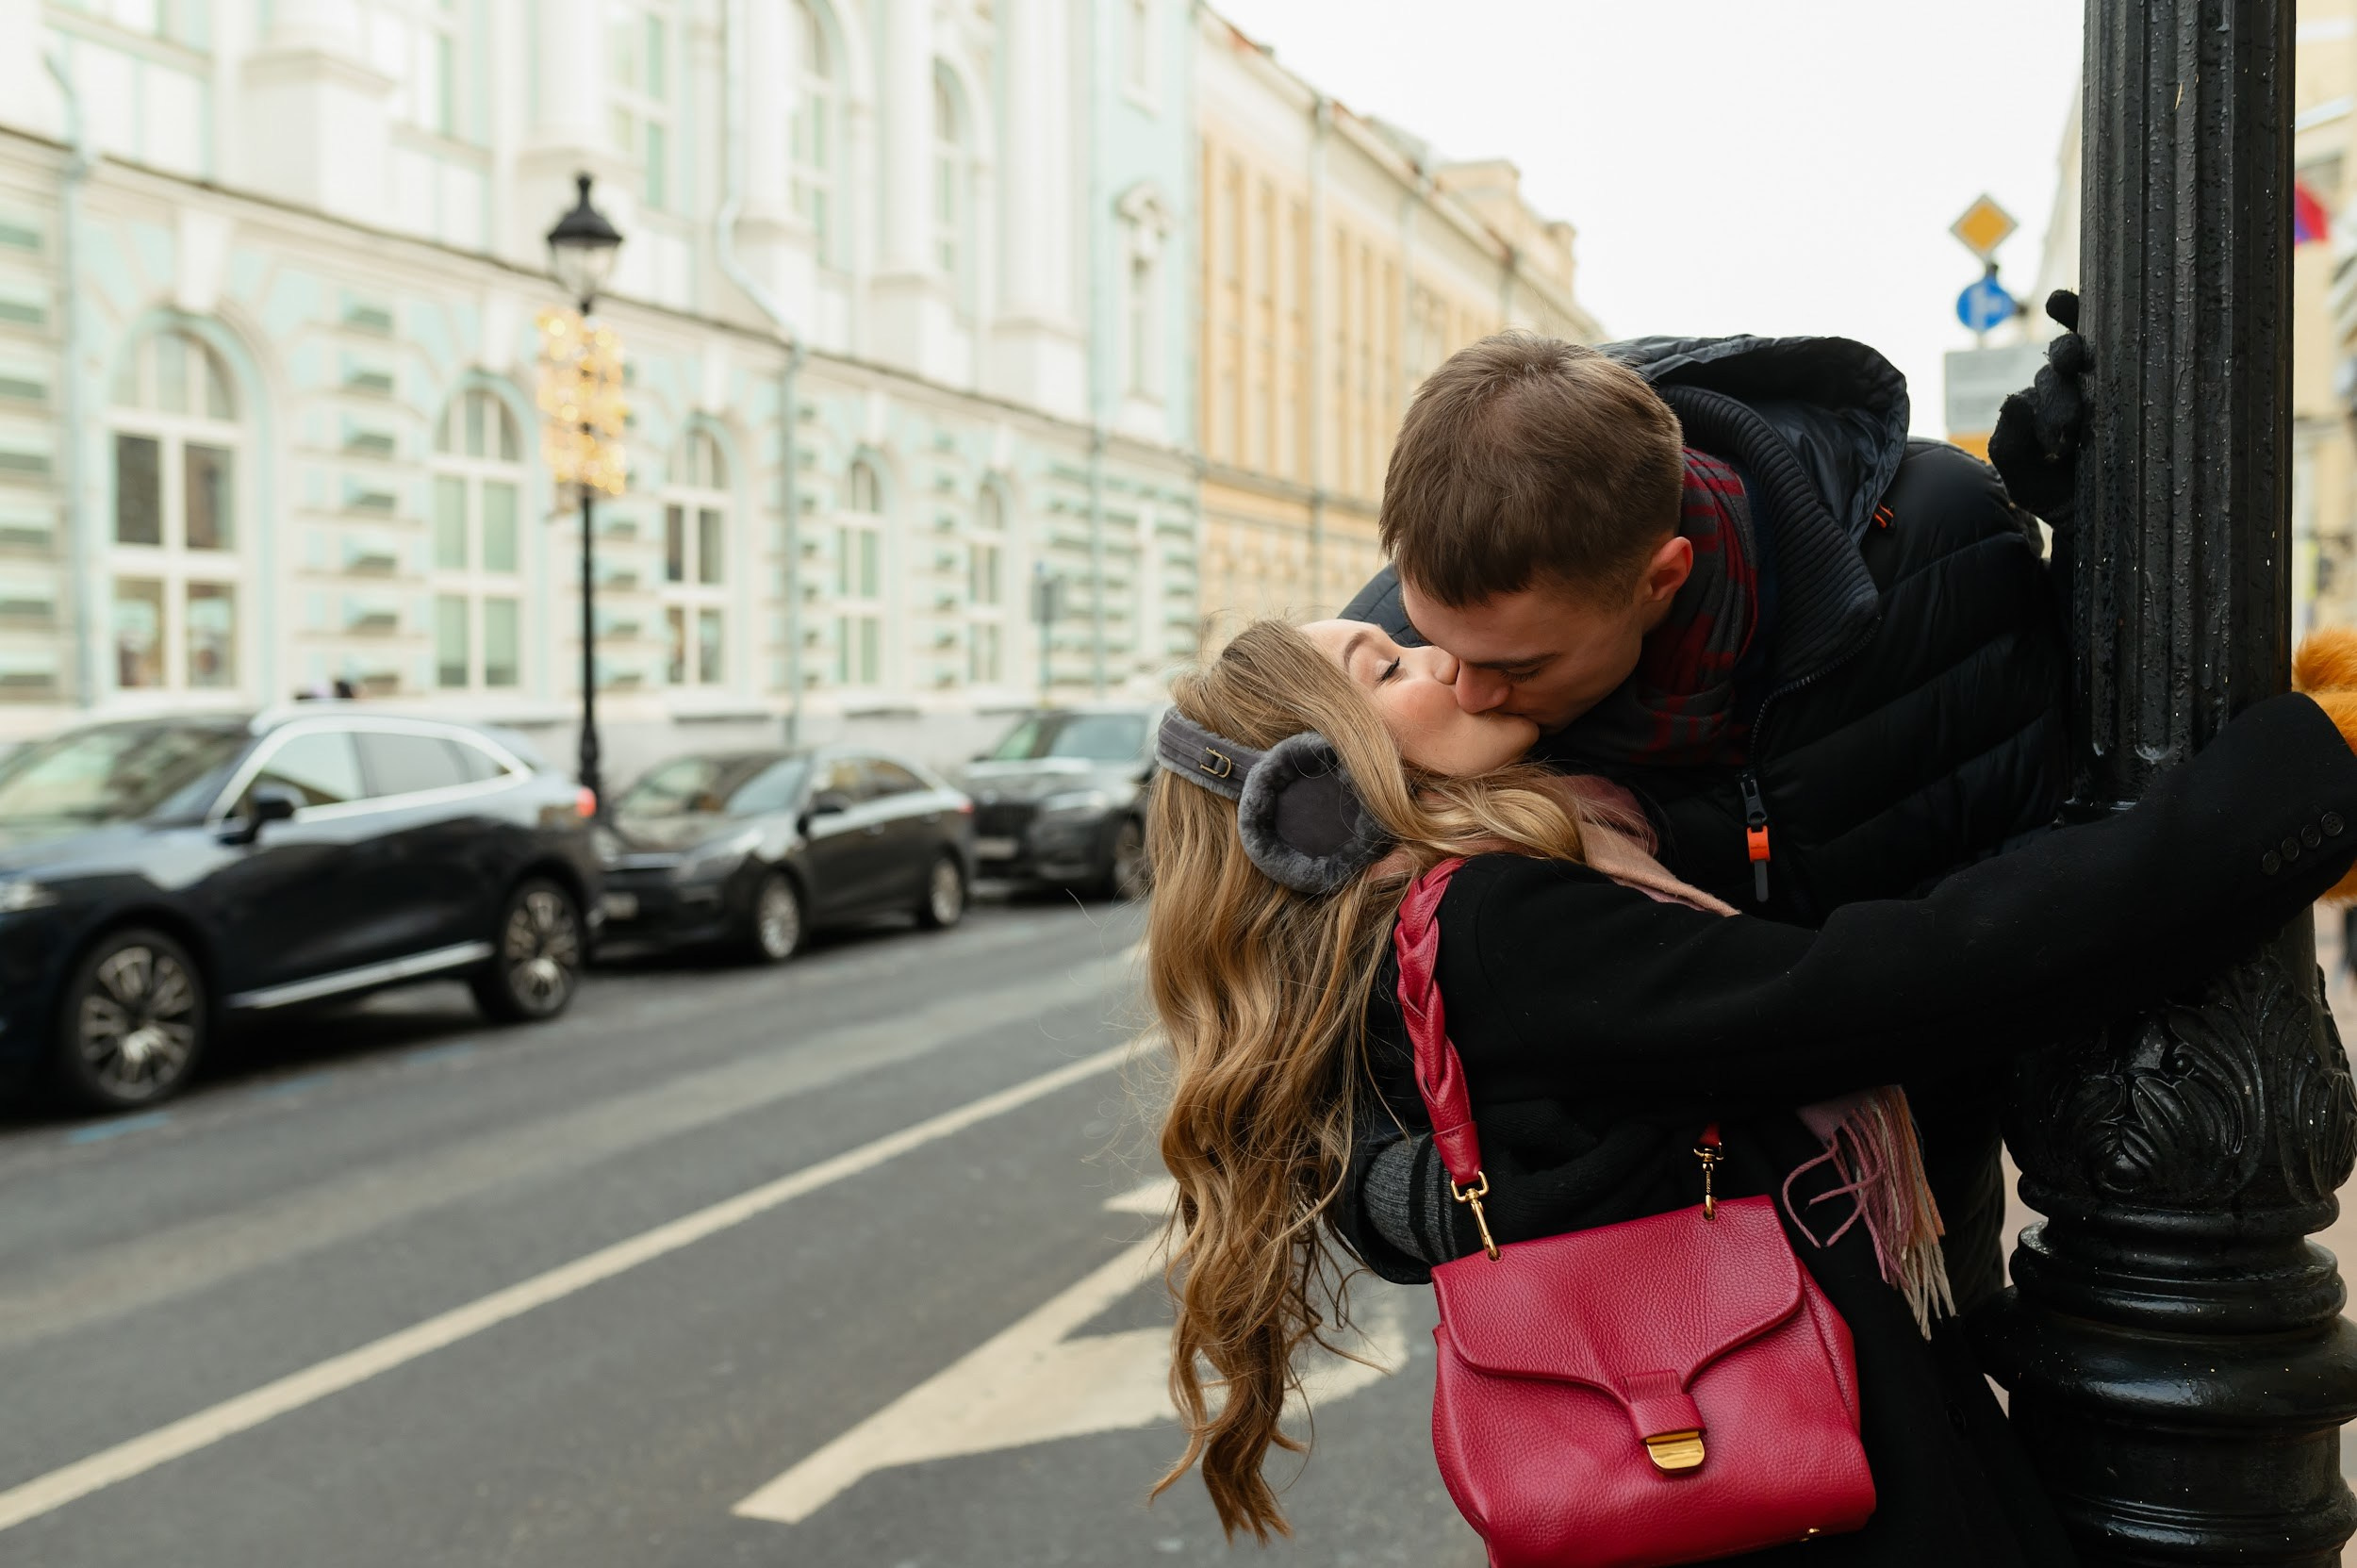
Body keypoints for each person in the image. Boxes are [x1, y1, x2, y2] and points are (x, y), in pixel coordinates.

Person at [1145, 617, 2357, 1565]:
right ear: (1318, 796)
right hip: (1802, 1500)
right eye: (1390, 663)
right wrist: (2303, 784)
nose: (1444, 657)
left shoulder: (1435, 927)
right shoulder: (1494, 929)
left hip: (1730, 1491)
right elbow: (1907, 980)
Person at [1338, 329, 2075, 1311]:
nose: (1463, 691)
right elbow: (1309, 1001)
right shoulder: (1407, 657)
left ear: (1661, 577)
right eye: (1432, 642)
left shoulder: (1935, 537)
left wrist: (2105, 529)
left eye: (1519, 669)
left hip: (1909, 1197)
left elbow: (2056, 847)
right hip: (1623, 1260)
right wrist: (1423, 1196)